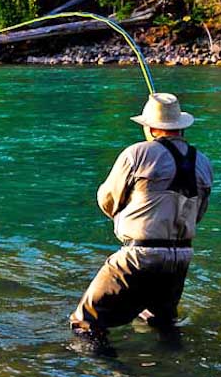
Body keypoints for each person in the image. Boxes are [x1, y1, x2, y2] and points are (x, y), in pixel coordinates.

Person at [69, 92, 213, 349]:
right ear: (180, 126)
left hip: (139, 257)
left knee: (85, 322)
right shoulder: (203, 162)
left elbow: (107, 200)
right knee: (160, 321)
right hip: (181, 258)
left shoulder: (136, 154)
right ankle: (174, 365)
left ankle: (115, 373)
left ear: (149, 127)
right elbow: (199, 214)